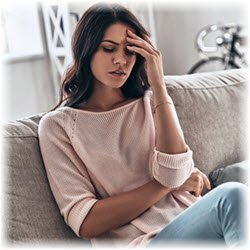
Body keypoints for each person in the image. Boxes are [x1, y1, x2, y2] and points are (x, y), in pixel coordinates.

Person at [38, 2, 248, 248]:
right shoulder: (58, 126)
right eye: (108, 49)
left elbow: (179, 173)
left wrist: (158, 85)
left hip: (196, 226)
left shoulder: (150, 102)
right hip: (146, 242)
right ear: (86, 51)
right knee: (233, 195)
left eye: (130, 51)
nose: (121, 60)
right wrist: (164, 185)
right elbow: (86, 222)